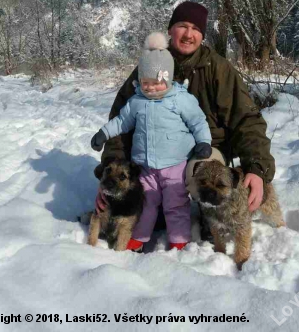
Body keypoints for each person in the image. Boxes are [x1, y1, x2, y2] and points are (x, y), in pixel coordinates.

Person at [96, 1, 275, 220]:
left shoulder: (218, 69)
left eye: (197, 29)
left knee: (201, 173)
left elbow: (247, 119)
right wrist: (110, 175)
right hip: (156, 153)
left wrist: (256, 168)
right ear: (170, 29)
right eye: (183, 25)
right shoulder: (150, 66)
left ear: (202, 36)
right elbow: (121, 121)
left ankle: (211, 216)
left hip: (205, 151)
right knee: (142, 209)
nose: (189, 34)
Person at [91, 32, 212, 251]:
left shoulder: (181, 99)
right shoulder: (137, 101)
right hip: (145, 166)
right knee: (146, 203)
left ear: (168, 79)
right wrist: (103, 134)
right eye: (145, 83)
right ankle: (139, 237)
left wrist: (203, 141)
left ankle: (179, 239)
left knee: (175, 204)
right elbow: (121, 122)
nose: (150, 88)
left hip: (175, 165)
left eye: (156, 83)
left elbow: (198, 121)